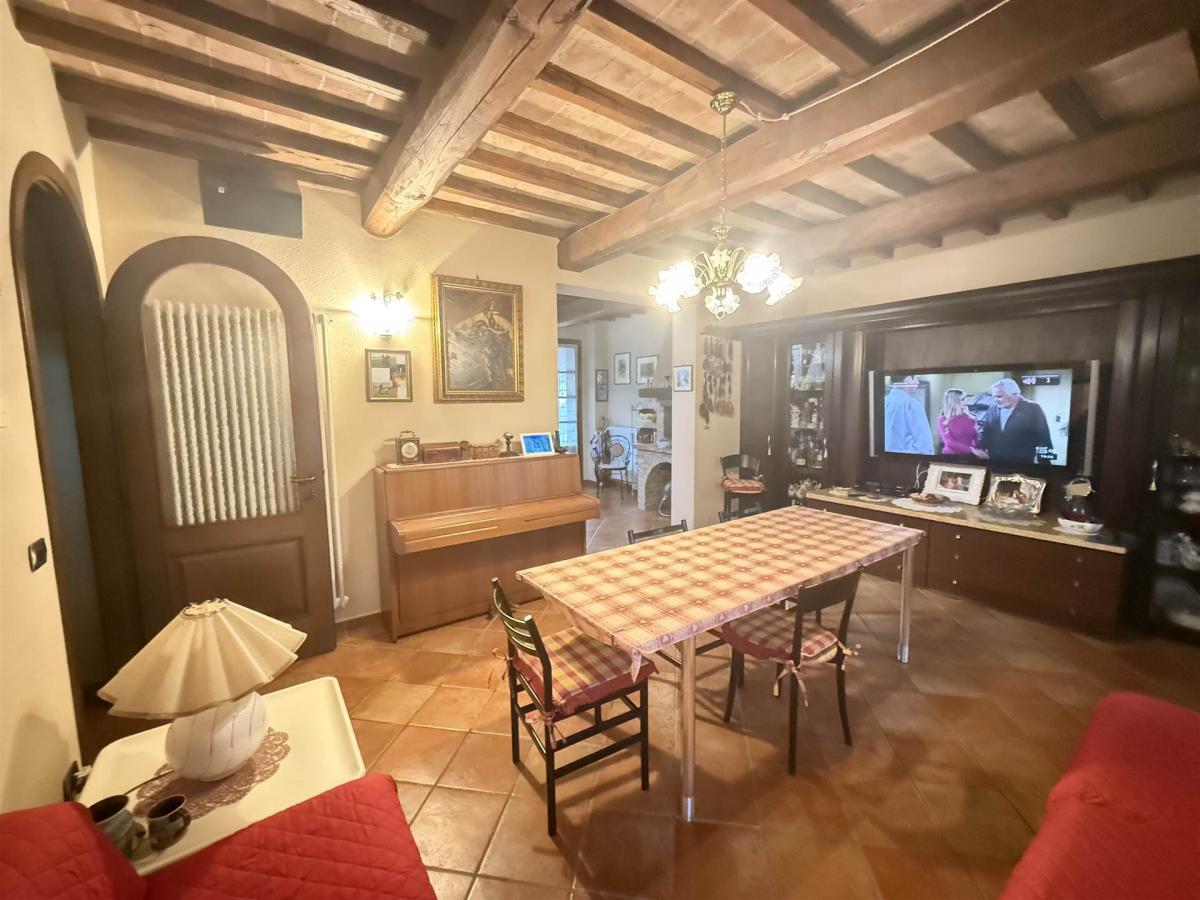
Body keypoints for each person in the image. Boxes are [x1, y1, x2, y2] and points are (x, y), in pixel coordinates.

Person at [972, 377, 1053, 465]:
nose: (995, 400)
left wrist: (1045, 465)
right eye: (994, 396)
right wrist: (978, 451)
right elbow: (987, 434)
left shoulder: (1033, 408)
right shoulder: (993, 408)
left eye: (999, 396)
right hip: (994, 462)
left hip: (1021, 464)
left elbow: (1043, 438)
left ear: (1014, 394)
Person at [884, 375, 934, 455]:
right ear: (908, 379)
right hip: (907, 460)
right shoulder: (912, 405)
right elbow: (925, 446)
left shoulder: (883, 402)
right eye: (915, 378)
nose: (917, 382)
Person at [937, 388, 978, 455]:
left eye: (966, 399)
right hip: (952, 455)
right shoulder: (943, 419)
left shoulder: (971, 417)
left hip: (970, 455)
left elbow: (975, 439)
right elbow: (949, 442)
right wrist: (971, 450)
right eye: (962, 399)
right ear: (954, 402)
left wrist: (980, 450)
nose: (966, 401)